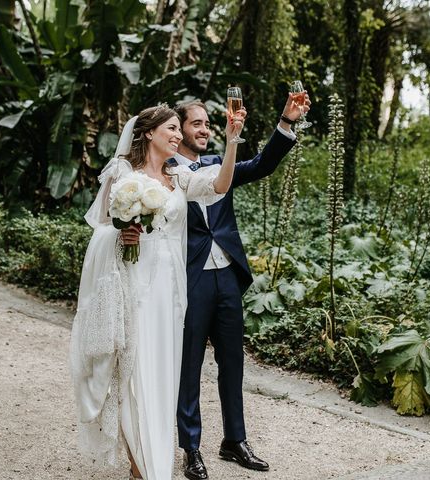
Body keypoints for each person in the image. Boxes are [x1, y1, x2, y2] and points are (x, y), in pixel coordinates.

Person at [68, 104, 245, 480]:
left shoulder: (179, 176)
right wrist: (122, 232)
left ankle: (152, 462)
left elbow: (219, 186)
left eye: (179, 131)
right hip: (135, 284)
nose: (178, 136)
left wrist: (232, 142)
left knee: (164, 373)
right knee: (134, 373)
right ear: (148, 133)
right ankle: (144, 469)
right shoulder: (122, 173)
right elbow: (100, 225)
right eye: (171, 129)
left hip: (171, 288)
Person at [172, 92, 311, 480]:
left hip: (228, 276)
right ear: (178, 128)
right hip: (190, 277)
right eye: (196, 123)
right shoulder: (165, 173)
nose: (205, 129)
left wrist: (286, 122)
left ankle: (235, 440)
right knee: (189, 366)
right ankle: (192, 448)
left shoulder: (221, 163)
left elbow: (264, 164)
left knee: (232, 362)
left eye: (207, 123)